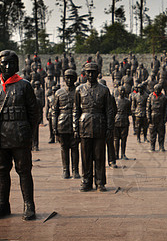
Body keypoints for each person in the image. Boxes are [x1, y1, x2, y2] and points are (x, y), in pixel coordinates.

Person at [0, 50, 39, 220]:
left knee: (24, 171)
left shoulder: (25, 85)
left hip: (20, 135)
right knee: (1, 171)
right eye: (4, 63)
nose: (7, 66)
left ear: (17, 65)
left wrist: (28, 134)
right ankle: (2, 204)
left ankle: (29, 204)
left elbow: (34, 113)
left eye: (11, 63)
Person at [73, 62, 114, 192]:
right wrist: (75, 128)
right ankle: (86, 181)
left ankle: (100, 181)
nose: (90, 75)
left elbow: (109, 111)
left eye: (93, 72)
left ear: (97, 73)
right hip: (84, 125)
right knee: (85, 157)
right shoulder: (79, 89)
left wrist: (109, 128)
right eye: (88, 72)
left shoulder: (104, 90)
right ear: (84, 74)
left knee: (99, 156)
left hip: (99, 125)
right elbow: (75, 110)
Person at [53, 69, 80, 179]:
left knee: (75, 148)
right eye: (67, 77)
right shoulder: (59, 93)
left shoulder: (78, 91)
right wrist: (54, 127)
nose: (69, 80)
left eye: (71, 77)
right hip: (62, 123)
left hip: (74, 123)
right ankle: (66, 170)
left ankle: (75, 170)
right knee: (64, 148)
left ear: (75, 79)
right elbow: (54, 111)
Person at [147, 83, 167, 152]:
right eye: (155, 89)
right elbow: (148, 108)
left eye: (158, 89)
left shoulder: (164, 97)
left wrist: (165, 118)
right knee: (152, 133)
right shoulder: (150, 97)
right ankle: (152, 146)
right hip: (153, 117)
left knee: (161, 133)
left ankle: (161, 146)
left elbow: (166, 109)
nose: (156, 91)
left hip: (161, 116)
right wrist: (148, 117)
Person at [114, 87, 131, 160]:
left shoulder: (128, 101)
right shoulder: (115, 100)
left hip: (124, 121)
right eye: (121, 90)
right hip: (116, 121)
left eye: (124, 90)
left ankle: (123, 154)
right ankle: (116, 154)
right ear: (118, 91)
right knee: (116, 139)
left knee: (124, 139)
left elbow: (129, 111)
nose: (122, 92)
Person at [32, 81, 45, 151]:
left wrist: (39, 119)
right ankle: (32, 145)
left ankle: (36, 145)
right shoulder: (30, 100)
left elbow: (40, 111)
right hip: (31, 119)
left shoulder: (38, 100)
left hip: (35, 119)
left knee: (36, 133)